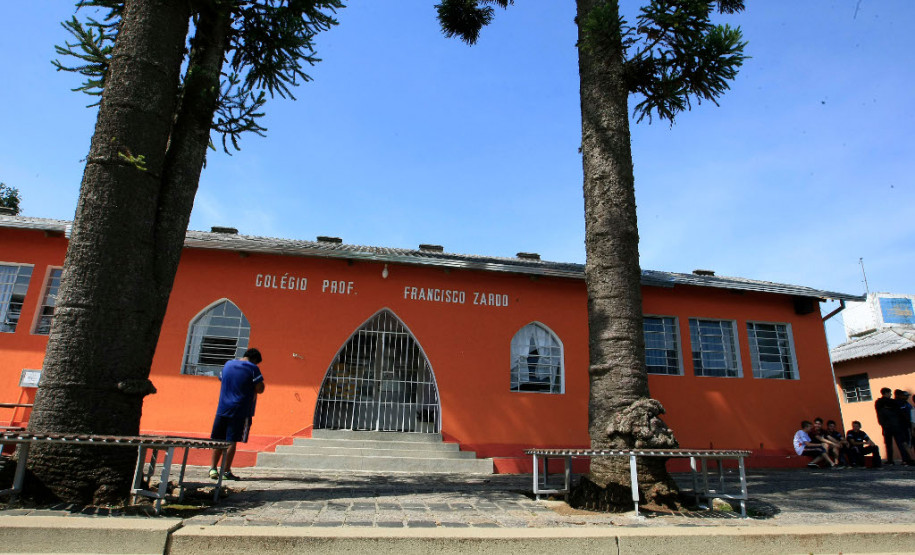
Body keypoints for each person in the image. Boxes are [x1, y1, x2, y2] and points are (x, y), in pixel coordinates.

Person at [209, 348, 265, 480]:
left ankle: (212, 469)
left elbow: (222, 379)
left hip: (222, 408)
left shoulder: (228, 364)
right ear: (255, 360)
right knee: (231, 441)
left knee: (218, 440)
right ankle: (226, 471)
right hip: (240, 410)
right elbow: (260, 388)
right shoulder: (252, 368)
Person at [875, 387, 913, 465]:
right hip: (896, 425)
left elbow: (879, 414)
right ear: (886, 393)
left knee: (888, 444)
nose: (890, 394)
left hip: (886, 426)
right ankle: (905, 459)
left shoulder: (878, 403)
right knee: (900, 443)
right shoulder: (893, 402)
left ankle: (890, 460)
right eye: (889, 393)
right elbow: (899, 412)